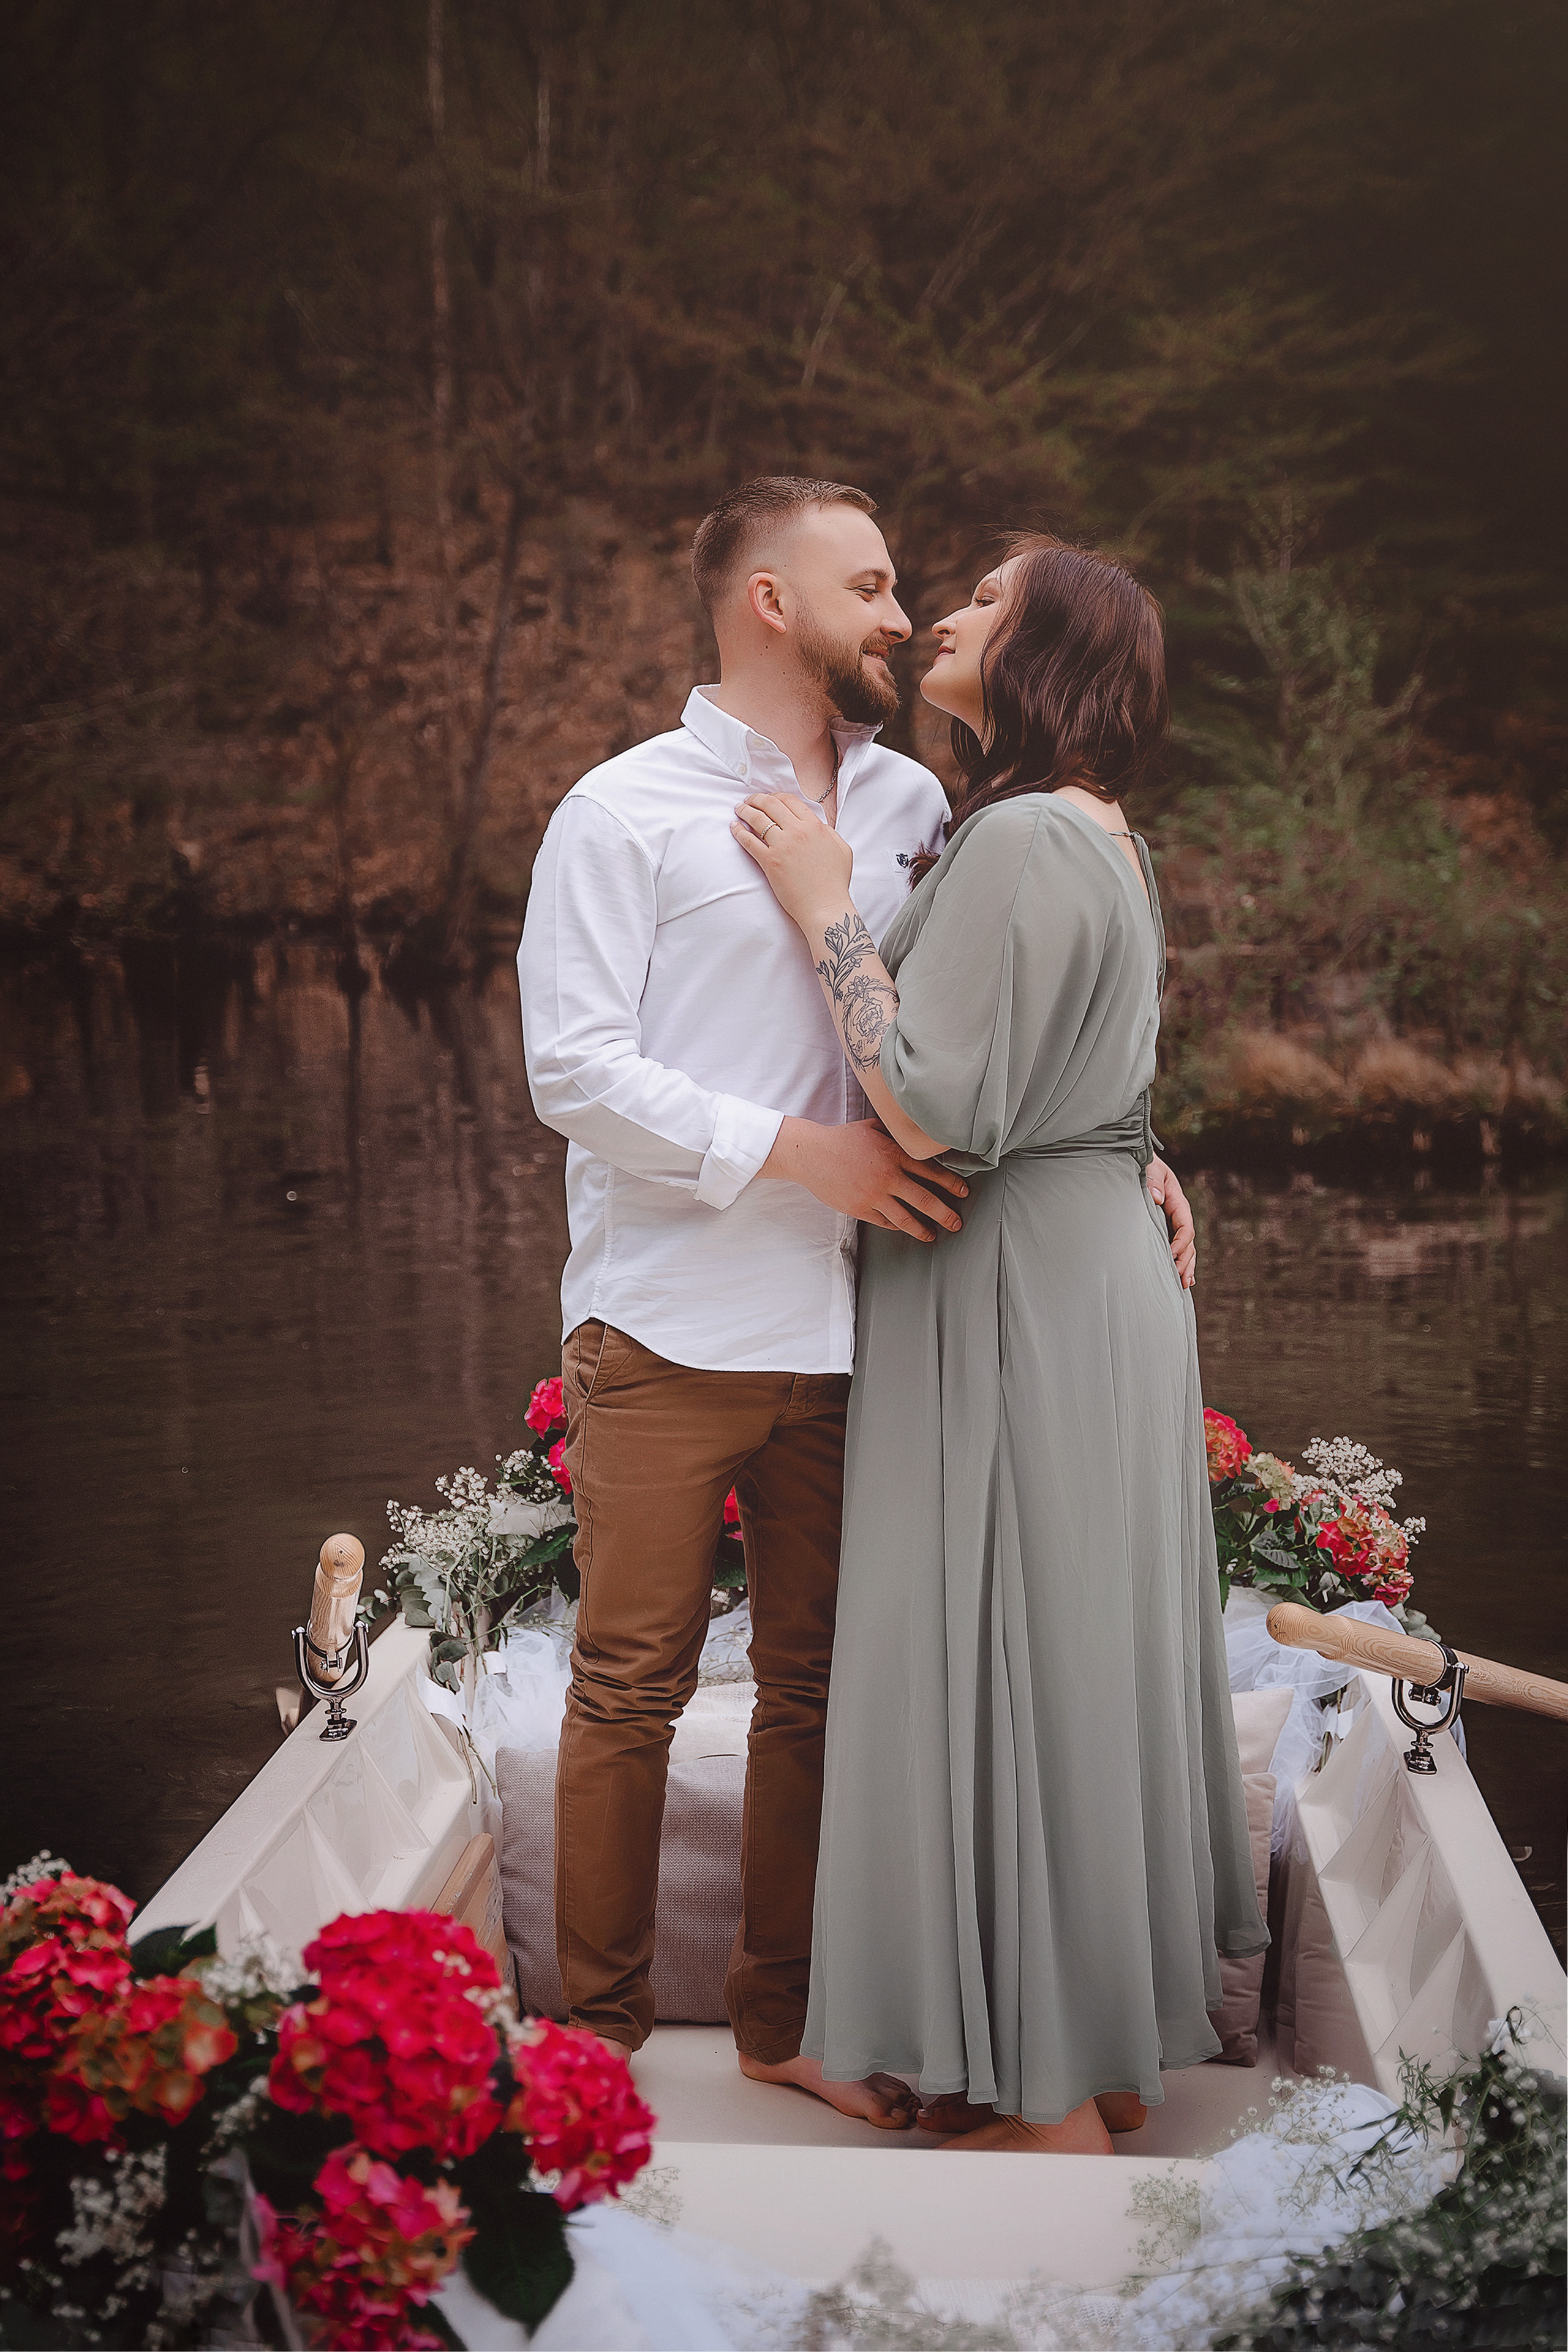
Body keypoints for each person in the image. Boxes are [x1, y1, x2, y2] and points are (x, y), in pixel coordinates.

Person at [519, 483, 1198, 2129]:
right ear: (768, 600)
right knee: (630, 1684)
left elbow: (993, 1018)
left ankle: (785, 2022)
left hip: (874, 1329)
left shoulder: (917, 802)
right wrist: (798, 1157)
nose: (903, 620)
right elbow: (574, 1071)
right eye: (875, 587)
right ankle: (594, 2048)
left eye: (919, 595)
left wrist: (1126, 1150)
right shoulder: (622, 812)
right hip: (677, 1312)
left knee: (824, 1690)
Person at [731, 534, 1264, 2153]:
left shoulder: (1029, 835)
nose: (946, 617)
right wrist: (1148, 1165)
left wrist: (829, 912)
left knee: (1011, 1648)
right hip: (1082, 1261)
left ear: (1045, 653)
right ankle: (1096, 2053)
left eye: (981, 603)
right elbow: (1091, 1076)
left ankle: (1046, 2110)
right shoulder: (1106, 835)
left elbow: (939, 1103)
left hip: (1016, 1284)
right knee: (1070, 1641)